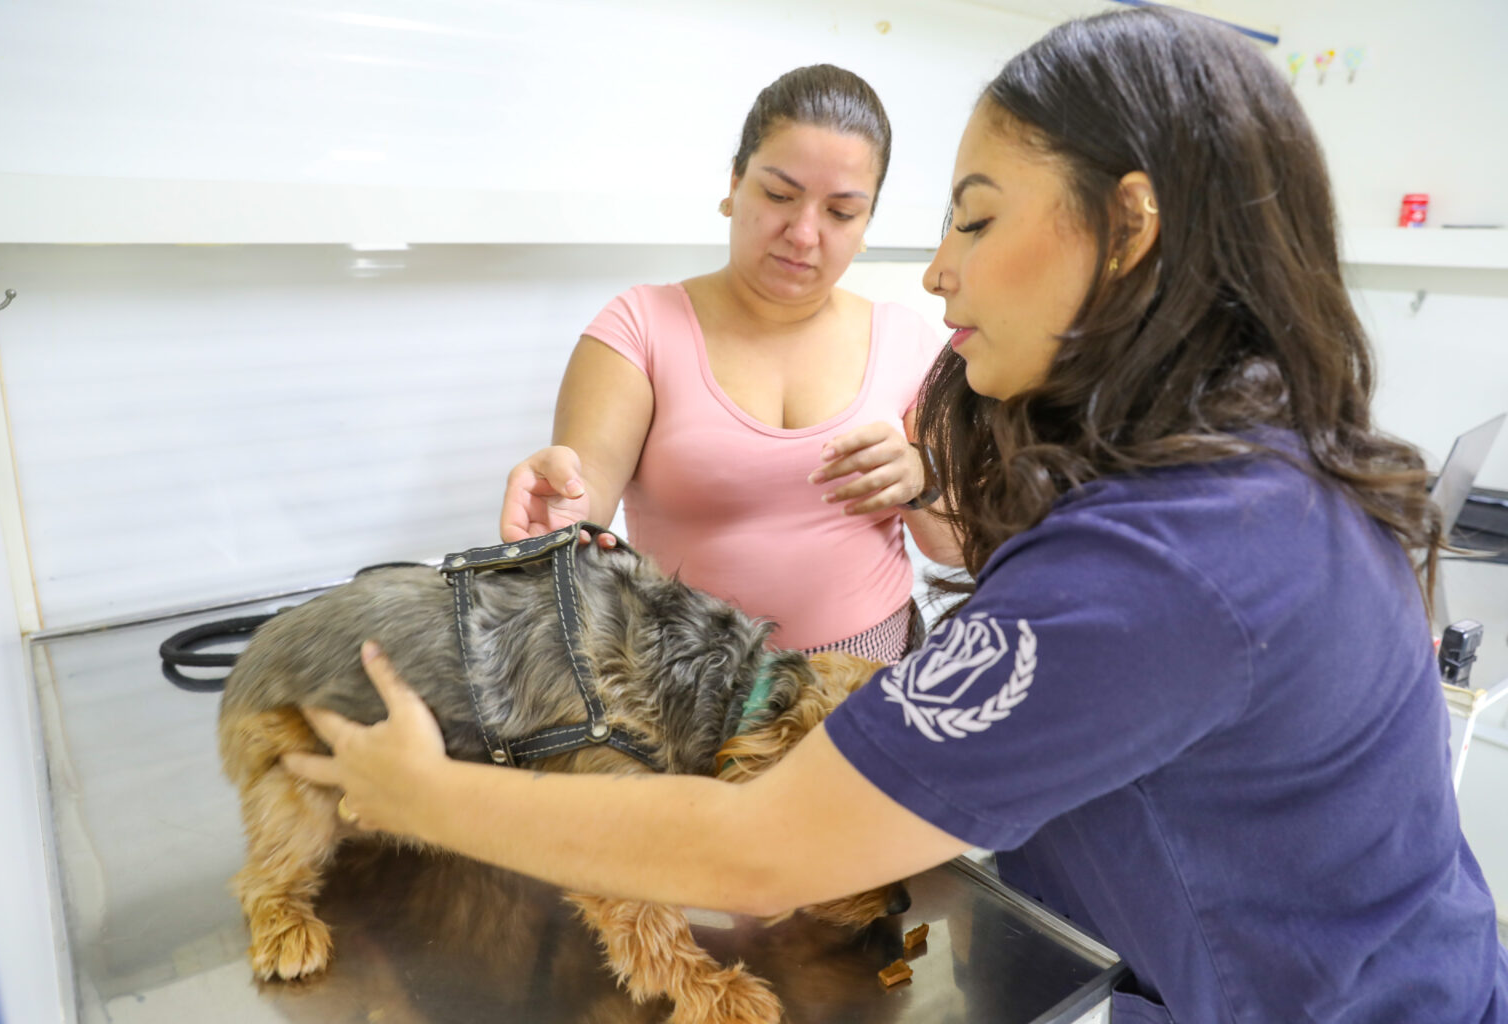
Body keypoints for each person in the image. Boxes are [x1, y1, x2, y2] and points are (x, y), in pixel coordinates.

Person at [286, 8, 1508, 1022]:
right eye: (781, 194)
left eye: (972, 219)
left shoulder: (1165, 557)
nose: (935, 268)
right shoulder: (1228, 456)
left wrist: (427, 795)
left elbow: (766, 844)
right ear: (731, 188)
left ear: (1129, 228)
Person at [498, 64, 954, 660]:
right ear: (733, 183)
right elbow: (584, 514)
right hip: (689, 684)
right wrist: (557, 513)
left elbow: (953, 547)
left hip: (868, 670)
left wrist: (920, 480)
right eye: (779, 194)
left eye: (841, 212)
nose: (803, 233)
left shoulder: (908, 341)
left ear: (867, 224)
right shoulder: (640, 328)